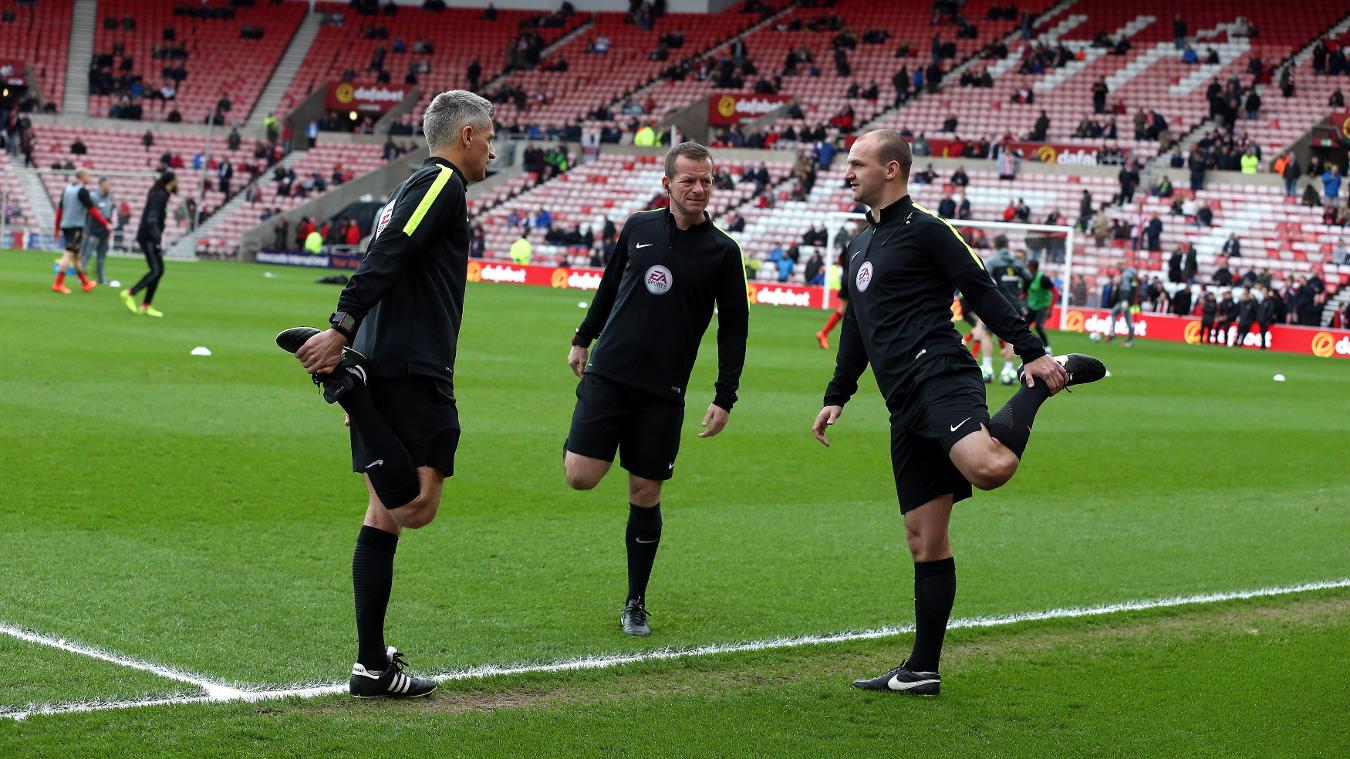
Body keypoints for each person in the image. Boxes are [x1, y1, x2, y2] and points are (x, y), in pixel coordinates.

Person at [811, 129, 1104, 696]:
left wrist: (1032, 350)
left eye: (856, 164)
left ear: (891, 169)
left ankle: (1043, 385)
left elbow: (979, 287)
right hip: (902, 403)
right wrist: (837, 393)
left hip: (940, 372)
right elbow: (856, 326)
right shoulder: (857, 245)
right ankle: (922, 669)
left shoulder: (929, 230)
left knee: (990, 468)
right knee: (925, 541)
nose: (847, 172)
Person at [276, 90, 496, 700]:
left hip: (382, 358)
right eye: (490, 136)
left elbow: (390, 250)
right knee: (416, 508)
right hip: (410, 363)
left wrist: (355, 344)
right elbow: (391, 251)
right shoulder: (441, 183)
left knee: (381, 517)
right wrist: (342, 326)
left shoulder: (410, 185)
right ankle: (353, 396)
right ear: (468, 136)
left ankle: (371, 665)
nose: (495, 150)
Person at [564, 141, 748, 638]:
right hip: (608, 375)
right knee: (580, 476)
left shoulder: (724, 253)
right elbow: (608, 285)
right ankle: (589, 429)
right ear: (667, 184)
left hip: (663, 391)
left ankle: (635, 601)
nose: (698, 188)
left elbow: (734, 329)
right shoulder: (639, 227)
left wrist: (724, 395)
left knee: (645, 494)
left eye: (706, 180)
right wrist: (584, 337)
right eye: (688, 179)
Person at [120, 172, 176, 317]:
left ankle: (146, 305)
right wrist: (157, 240)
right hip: (148, 237)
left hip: (151, 236)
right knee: (156, 270)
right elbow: (152, 219)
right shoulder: (160, 195)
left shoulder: (161, 194)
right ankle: (130, 293)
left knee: (159, 270)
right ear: (171, 182)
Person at [52, 169, 111, 294]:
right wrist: (105, 223)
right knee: (68, 254)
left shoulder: (67, 189)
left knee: (76, 256)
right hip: (76, 227)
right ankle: (58, 284)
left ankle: (85, 283)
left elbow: (60, 211)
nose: (90, 177)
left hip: (66, 225)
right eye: (88, 175)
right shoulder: (82, 191)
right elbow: (92, 210)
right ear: (82, 176)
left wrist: (57, 228)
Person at [80, 177, 115, 285]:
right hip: (94, 229)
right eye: (108, 184)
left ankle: (101, 278)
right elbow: (89, 213)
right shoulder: (93, 196)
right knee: (87, 254)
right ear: (101, 185)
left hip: (105, 229)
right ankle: (81, 277)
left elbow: (109, 212)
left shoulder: (110, 196)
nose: (110, 187)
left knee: (102, 256)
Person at [816, 250, 849, 349]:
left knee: (843, 310)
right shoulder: (864, 241)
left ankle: (823, 333)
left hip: (846, 278)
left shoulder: (848, 245)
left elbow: (840, 261)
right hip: (853, 279)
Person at [1024, 259, 1053, 352]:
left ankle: (1048, 348)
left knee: (1038, 326)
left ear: (1033, 267)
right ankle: (1026, 346)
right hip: (1032, 306)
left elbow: (1055, 292)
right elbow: (1025, 292)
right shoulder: (1028, 278)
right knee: (1024, 326)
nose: (1027, 268)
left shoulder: (1043, 279)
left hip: (1042, 306)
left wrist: (1050, 308)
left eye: (1028, 266)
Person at [1104, 263, 1137, 346]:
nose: (1118, 270)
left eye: (1118, 268)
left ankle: (1129, 339)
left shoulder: (1125, 275)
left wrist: (1125, 300)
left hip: (1125, 300)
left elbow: (1126, 289)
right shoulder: (1130, 275)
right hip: (1126, 300)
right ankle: (1117, 334)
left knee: (1127, 319)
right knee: (1120, 315)